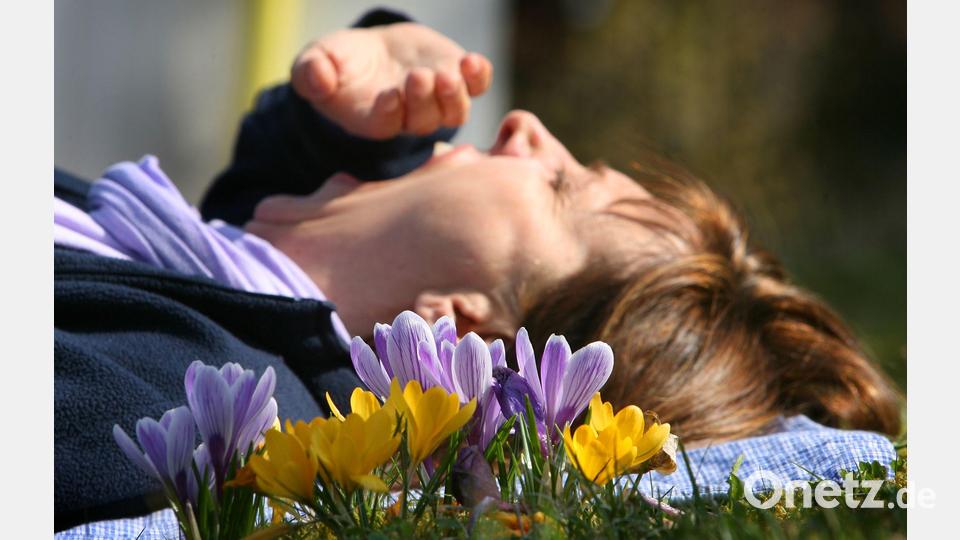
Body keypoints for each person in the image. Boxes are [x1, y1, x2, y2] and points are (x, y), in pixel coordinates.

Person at [54, 8, 901, 537]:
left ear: (457, 334)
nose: (526, 127)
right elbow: (255, 245)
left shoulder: (180, 411)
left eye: (561, 186)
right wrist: (356, 114)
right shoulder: (210, 279)